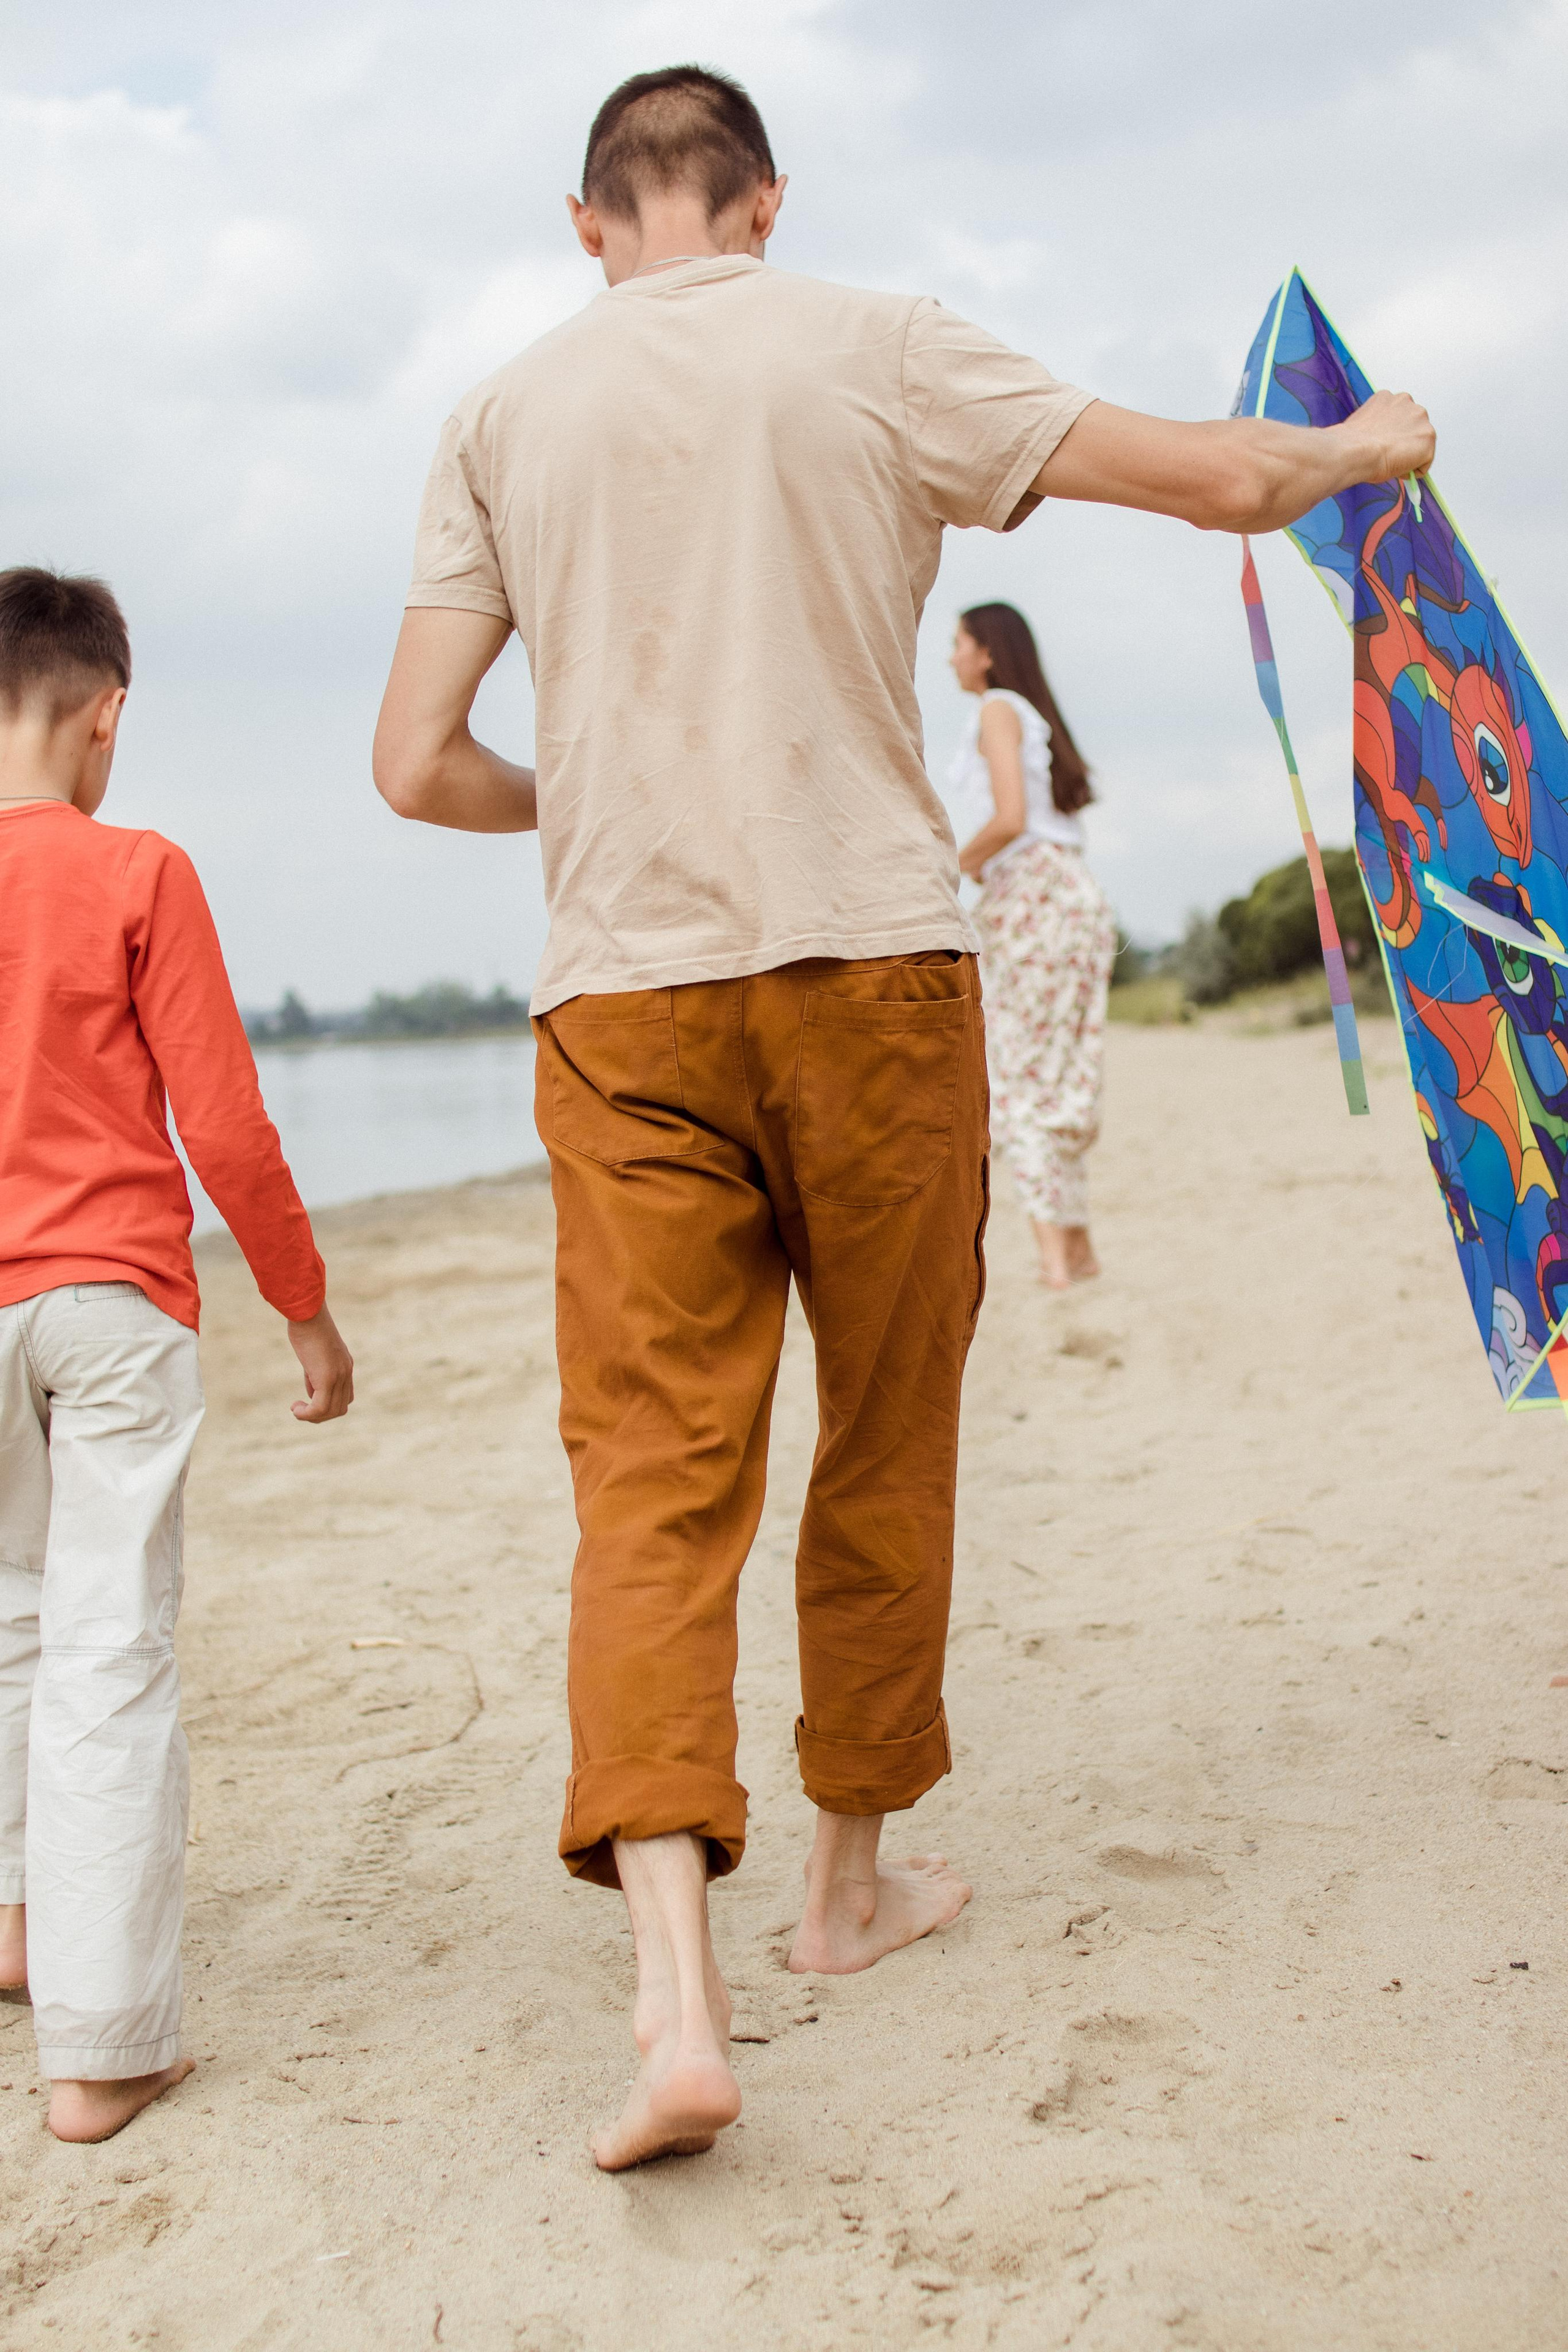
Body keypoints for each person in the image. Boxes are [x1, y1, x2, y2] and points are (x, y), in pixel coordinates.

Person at [371, 62, 1434, 2172]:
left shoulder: (502, 413)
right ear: (766, 200)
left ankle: (681, 2002)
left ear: (593, 225)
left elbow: (416, 764)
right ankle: (850, 1891)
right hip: (870, 967)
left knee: (652, 1485)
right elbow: (1221, 483)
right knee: (884, 1427)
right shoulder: (876, 339)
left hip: (623, 1003)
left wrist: (592, 789)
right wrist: (1364, 445)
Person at [0, 567, 355, 2144]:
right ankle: (104, 2044)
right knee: (107, 1653)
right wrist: (302, 1300)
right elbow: (219, 1121)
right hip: (111, 1305)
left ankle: (16, 1927)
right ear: (106, 713)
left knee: (8, 1627)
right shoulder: (137, 867)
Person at [951, 601, 1115, 1287]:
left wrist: (949, 868)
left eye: (957, 643)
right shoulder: (1032, 714)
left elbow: (1009, 817)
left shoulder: (997, 709)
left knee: (1019, 1078)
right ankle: (1076, 1252)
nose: (950, 657)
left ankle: (1055, 1262)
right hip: (1070, 897)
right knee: (1064, 1079)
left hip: (1031, 901)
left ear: (987, 650)